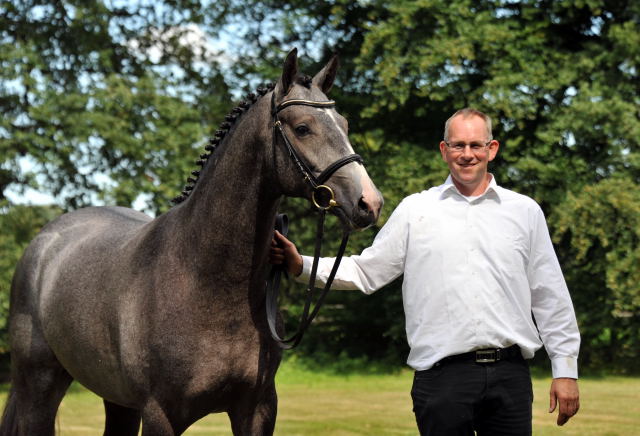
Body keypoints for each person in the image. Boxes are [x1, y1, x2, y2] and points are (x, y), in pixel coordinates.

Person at [270, 108, 580, 435]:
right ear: (444, 150)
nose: (467, 154)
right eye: (458, 145)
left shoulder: (525, 212)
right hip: (441, 379)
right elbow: (365, 271)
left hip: (510, 377)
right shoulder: (416, 210)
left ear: (492, 149)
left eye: (476, 145)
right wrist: (300, 264)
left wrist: (566, 370)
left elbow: (550, 295)